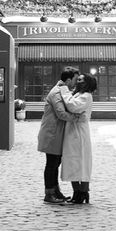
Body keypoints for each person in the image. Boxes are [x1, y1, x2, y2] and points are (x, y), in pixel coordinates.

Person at [37, 67, 79, 204]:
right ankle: (49, 193)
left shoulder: (62, 91)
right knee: (51, 164)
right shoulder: (56, 92)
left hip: (56, 134)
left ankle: (55, 191)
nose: (76, 83)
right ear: (68, 80)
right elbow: (61, 113)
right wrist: (77, 117)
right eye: (75, 80)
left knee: (55, 163)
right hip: (52, 134)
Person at [60, 73, 95, 204]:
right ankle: (77, 192)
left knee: (82, 162)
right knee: (72, 162)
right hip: (72, 131)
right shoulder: (78, 94)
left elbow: (72, 106)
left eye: (81, 80)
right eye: (77, 79)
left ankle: (83, 192)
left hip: (79, 132)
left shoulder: (86, 96)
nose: (78, 82)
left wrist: (64, 90)